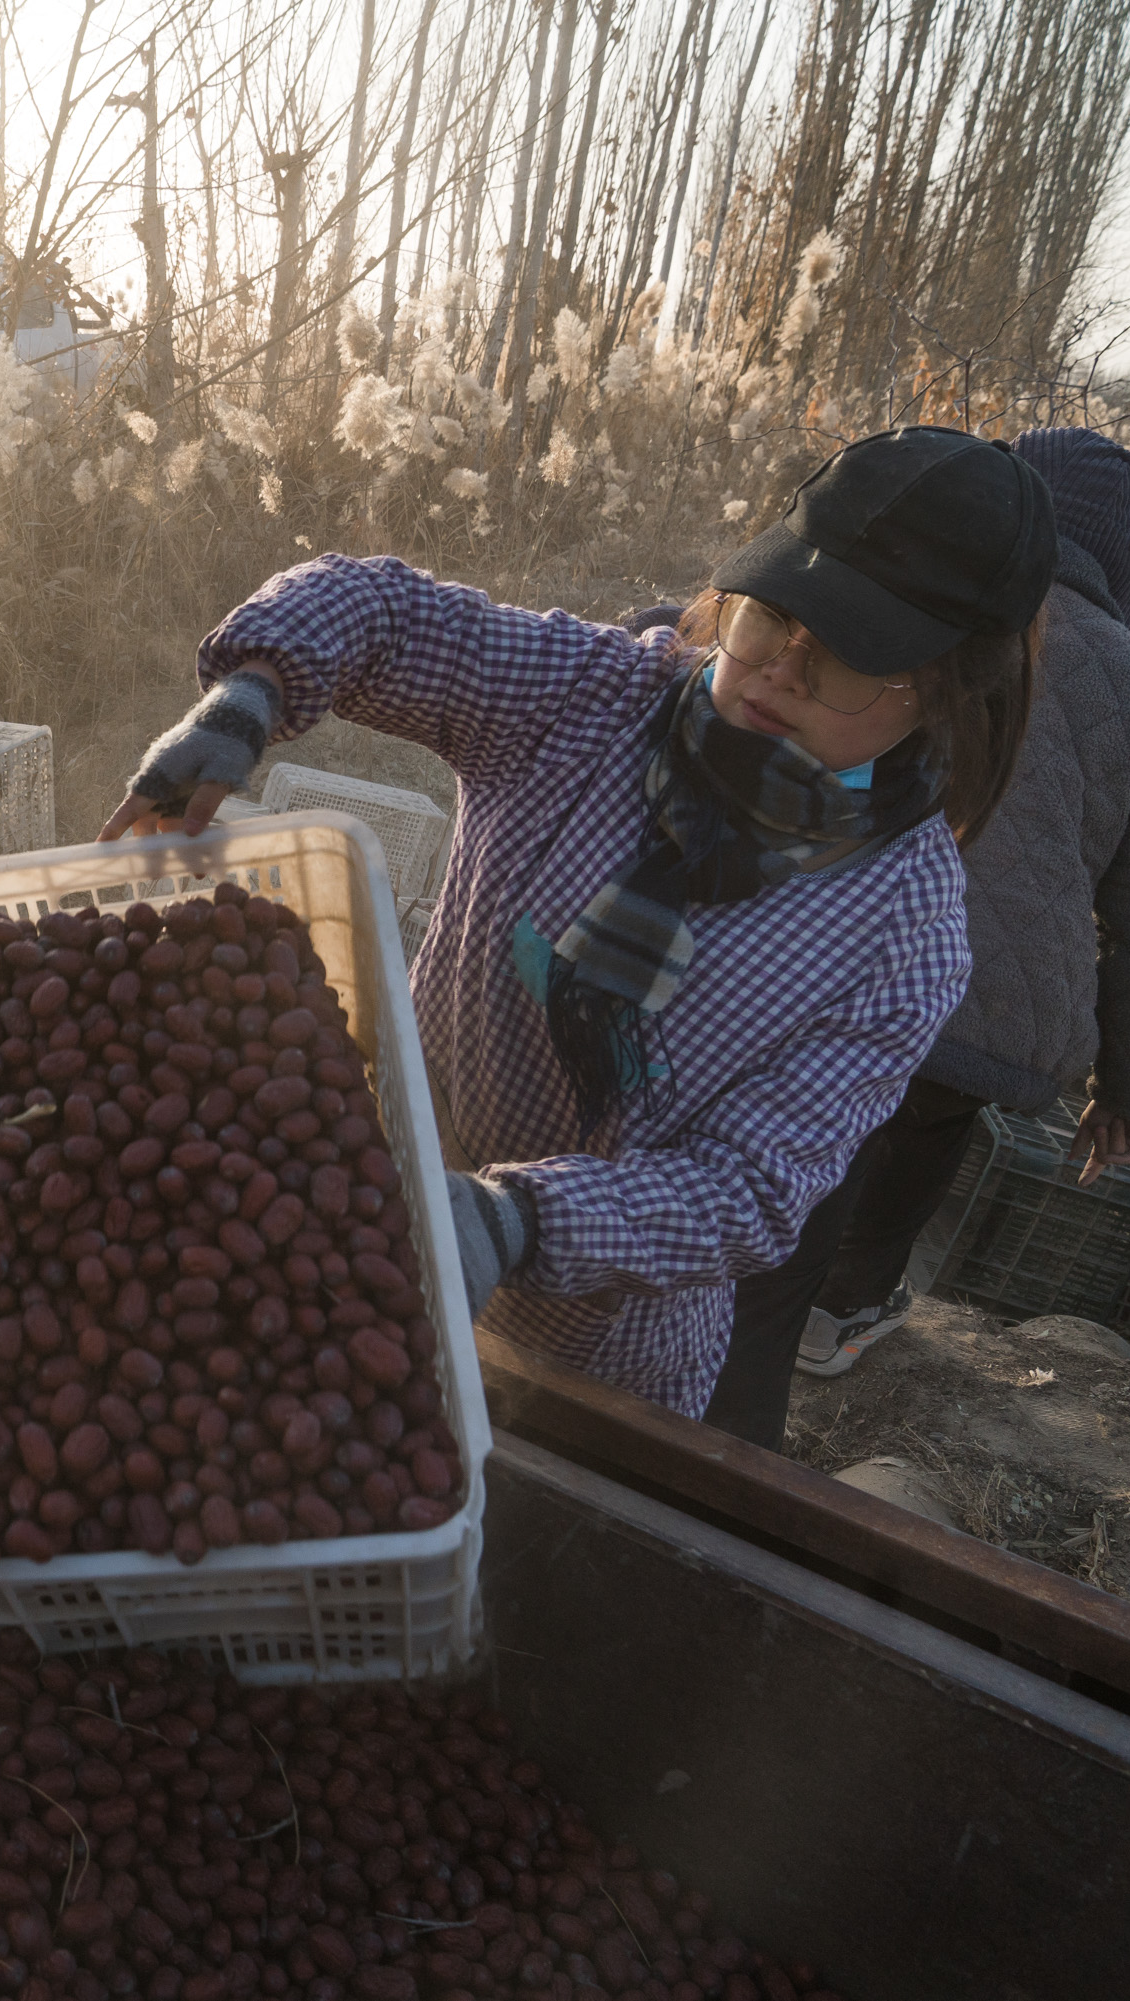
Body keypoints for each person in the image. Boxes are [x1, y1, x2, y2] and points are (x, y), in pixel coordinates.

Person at [103, 427, 1051, 1417]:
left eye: (844, 663)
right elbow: (379, 606)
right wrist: (249, 693)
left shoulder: (903, 934)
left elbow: (752, 1191)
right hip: (353, 1211)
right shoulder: (591, 699)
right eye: (771, 620)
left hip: (593, 1367)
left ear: (945, 691)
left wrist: (511, 1221)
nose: (777, 675)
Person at [700, 426, 1130, 1447]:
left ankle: (764, 1318)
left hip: (826, 964)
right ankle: (842, 1312)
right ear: (1120, 555)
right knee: (920, 1135)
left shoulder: (900, 612)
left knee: (802, 1180)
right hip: (994, 1009)